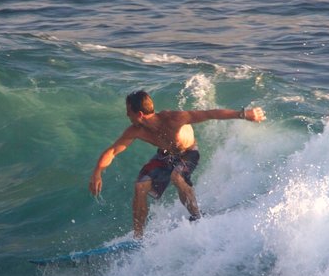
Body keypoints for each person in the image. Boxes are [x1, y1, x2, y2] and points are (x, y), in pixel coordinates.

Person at [89, 90, 265, 239]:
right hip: (165, 156)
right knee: (140, 186)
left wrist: (243, 114)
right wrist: (97, 171)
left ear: (139, 114)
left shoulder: (173, 119)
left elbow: (209, 114)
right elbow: (112, 150)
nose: (127, 115)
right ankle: (138, 237)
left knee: (177, 176)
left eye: (129, 111)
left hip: (188, 153)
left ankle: (197, 217)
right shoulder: (136, 130)